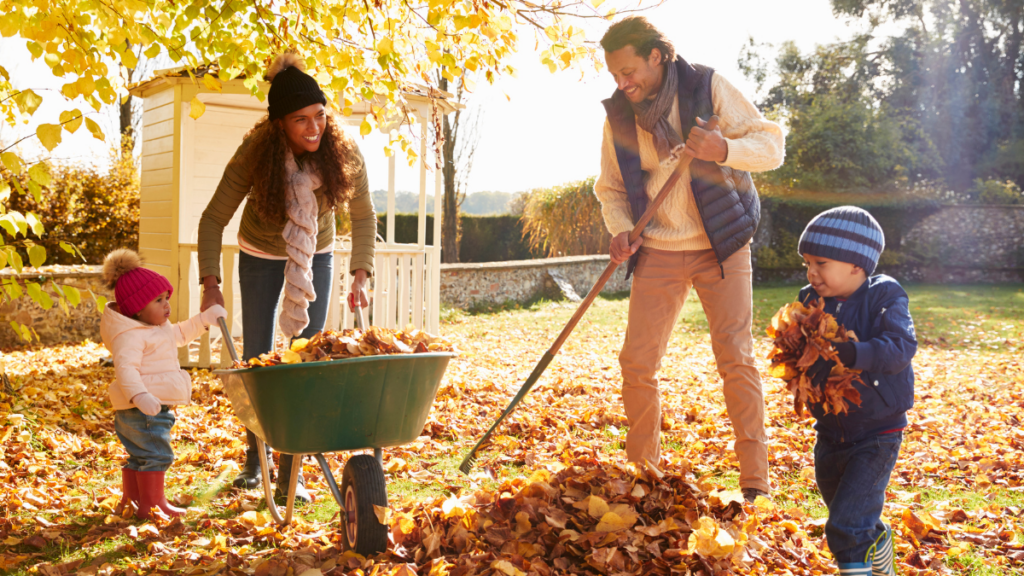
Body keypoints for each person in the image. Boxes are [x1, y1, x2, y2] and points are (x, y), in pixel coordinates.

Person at [594, 16, 783, 501]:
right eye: (615, 74)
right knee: (637, 363)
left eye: (629, 70)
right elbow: (611, 188)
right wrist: (620, 228)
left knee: (735, 357)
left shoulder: (707, 86)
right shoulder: (619, 115)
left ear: (656, 56)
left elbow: (771, 146)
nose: (623, 82)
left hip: (722, 244)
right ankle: (643, 476)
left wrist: (724, 148)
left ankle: (755, 483)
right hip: (658, 247)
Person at [197, 53, 377, 502]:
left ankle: (290, 470)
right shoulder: (254, 156)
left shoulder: (343, 151)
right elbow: (211, 220)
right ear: (280, 124)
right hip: (260, 253)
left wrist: (361, 274)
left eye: (319, 115)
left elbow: (363, 214)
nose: (314, 127)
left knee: (306, 359)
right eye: (301, 120)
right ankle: (256, 461)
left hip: (315, 252)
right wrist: (210, 283)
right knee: (258, 357)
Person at [796, 206, 915, 576]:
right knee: (849, 513)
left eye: (820, 262)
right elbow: (802, 350)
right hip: (831, 431)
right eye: (807, 264)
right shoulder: (809, 299)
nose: (811, 272)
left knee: (845, 526)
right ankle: (878, 545)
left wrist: (854, 352)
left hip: (877, 431)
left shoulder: (885, 296)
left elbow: (900, 347)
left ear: (856, 266)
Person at [100, 249, 227, 519]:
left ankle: (134, 500)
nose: (167, 305)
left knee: (141, 457)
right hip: (142, 409)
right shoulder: (130, 336)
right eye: (158, 300)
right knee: (157, 456)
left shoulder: (156, 327)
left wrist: (204, 320)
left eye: (166, 297)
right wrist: (139, 396)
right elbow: (125, 370)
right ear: (136, 308)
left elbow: (180, 333)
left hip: (148, 406)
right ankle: (153, 504)